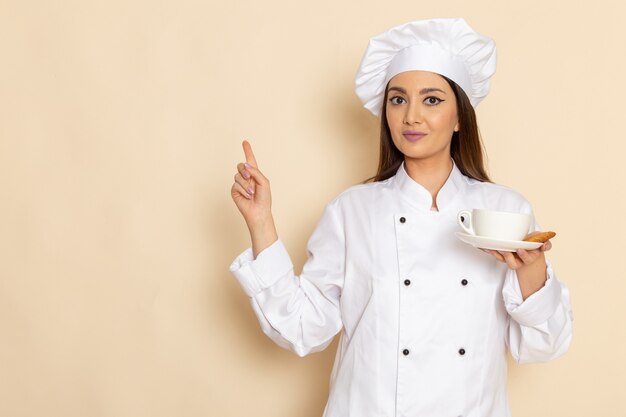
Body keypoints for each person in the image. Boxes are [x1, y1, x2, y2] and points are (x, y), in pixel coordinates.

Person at [229, 17, 573, 417]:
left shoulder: (506, 211)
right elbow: (304, 328)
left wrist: (532, 269)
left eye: (431, 100)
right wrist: (261, 222)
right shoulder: (351, 211)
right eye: (397, 99)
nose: (411, 116)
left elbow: (543, 345)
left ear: (460, 117)